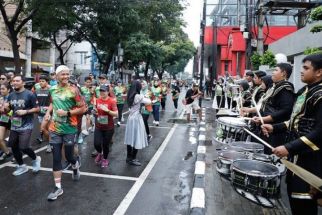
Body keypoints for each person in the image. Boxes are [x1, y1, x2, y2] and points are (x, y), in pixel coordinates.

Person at [261, 54, 322, 215]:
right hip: (297, 159)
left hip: (311, 162)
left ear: (319, 72)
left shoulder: (320, 96)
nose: (301, 71)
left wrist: (288, 147)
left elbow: (319, 132)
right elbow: (295, 121)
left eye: (306, 68)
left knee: (305, 207)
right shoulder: (306, 91)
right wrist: (275, 127)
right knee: (295, 203)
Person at [45, 65, 86, 201]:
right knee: (56, 158)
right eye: (62, 74)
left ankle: (75, 165)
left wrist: (68, 112)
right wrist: (48, 112)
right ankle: (58, 187)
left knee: (68, 156)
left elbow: (83, 108)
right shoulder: (52, 89)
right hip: (55, 128)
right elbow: (52, 103)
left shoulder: (74, 90)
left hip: (70, 128)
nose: (66, 77)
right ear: (56, 76)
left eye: (67, 74)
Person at [242, 63, 295, 150]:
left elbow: (286, 111)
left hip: (275, 131)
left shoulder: (285, 89)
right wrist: (260, 118)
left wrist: (264, 119)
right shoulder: (275, 88)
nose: (273, 73)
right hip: (266, 128)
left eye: (276, 70)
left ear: (283, 73)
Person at [4, 75, 41, 176]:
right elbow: (9, 110)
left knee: (24, 147)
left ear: (23, 83)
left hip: (26, 125)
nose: (14, 83)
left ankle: (35, 159)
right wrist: (6, 108)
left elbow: (37, 109)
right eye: (13, 81)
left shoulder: (30, 94)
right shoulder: (11, 95)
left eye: (17, 81)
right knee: (13, 146)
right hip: (15, 124)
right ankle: (21, 166)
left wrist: (26, 111)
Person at [124, 80, 151, 166]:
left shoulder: (129, 95)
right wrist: (145, 96)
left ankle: (128, 158)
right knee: (136, 138)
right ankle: (133, 158)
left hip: (131, 118)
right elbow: (149, 101)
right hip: (136, 118)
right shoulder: (138, 96)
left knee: (130, 138)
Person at [93, 85, 118, 168]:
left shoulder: (112, 101)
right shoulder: (98, 100)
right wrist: (95, 111)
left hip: (108, 128)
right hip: (99, 126)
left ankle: (105, 159)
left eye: (104, 91)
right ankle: (100, 153)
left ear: (108, 92)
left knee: (105, 144)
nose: (102, 93)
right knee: (96, 143)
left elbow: (116, 114)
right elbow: (96, 110)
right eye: (101, 91)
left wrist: (107, 110)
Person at [34, 75, 51, 152]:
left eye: (43, 81)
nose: (41, 82)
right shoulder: (36, 91)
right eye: (40, 81)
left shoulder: (50, 91)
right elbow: (34, 101)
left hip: (49, 113)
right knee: (44, 130)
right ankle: (50, 143)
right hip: (40, 113)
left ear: (47, 82)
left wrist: (48, 108)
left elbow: (53, 102)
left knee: (44, 129)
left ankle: (50, 144)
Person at [0, 84, 12, 161]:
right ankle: (7, 153)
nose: (1, 91)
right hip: (4, 118)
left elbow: (10, 111)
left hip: (14, 120)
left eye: (3, 89)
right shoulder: (1, 98)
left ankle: (17, 153)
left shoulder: (13, 97)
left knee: (14, 140)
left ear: (8, 90)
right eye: (0, 89)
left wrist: (5, 107)